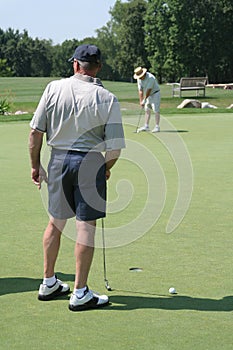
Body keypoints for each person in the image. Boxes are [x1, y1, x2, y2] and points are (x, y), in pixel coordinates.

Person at [28, 44, 125, 311]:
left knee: (55, 223)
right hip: (90, 161)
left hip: (57, 160)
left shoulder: (53, 88)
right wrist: (105, 167)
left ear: (75, 64)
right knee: (85, 227)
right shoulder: (107, 98)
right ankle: (80, 292)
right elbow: (114, 148)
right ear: (99, 67)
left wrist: (36, 166)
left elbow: (35, 133)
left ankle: (48, 282)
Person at [133, 66, 161, 132]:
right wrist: (141, 101)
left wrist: (145, 99)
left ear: (143, 74)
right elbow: (140, 90)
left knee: (155, 109)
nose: (139, 78)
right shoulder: (139, 79)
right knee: (147, 109)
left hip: (155, 93)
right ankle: (146, 126)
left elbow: (149, 90)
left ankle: (157, 127)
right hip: (148, 95)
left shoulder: (151, 78)